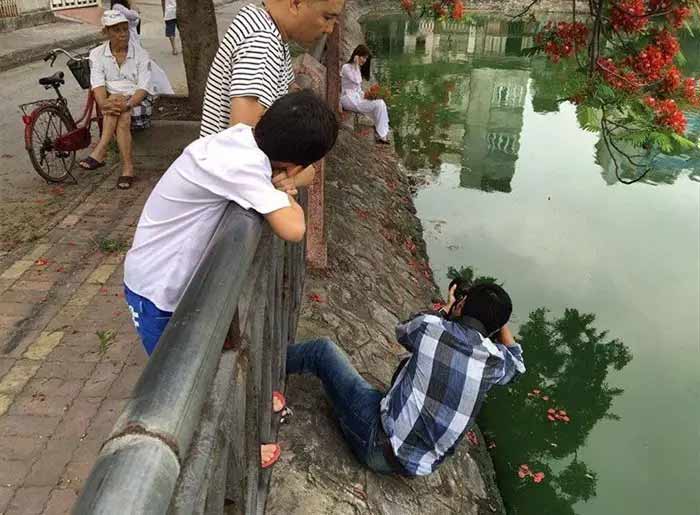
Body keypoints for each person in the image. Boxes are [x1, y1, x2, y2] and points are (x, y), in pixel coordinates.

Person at [123, 90, 339, 468]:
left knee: (214, 360)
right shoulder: (245, 167)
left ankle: (238, 425)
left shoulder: (243, 139)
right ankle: (228, 458)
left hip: (179, 282)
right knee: (186, 387)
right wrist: (290, 188)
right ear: (292, 163)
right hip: (155, 292)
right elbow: (294, 229)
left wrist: (281, 183)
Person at [286, 282, 526, 476]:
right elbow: (518, 364)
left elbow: (403, 330)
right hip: (416, 467)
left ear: (462, 304)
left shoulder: (431, 327)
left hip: (375, 442)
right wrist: (496, 319)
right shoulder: (496, 362)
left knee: (321, 351)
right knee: (411, 369)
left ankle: (270, 360)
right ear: (495, 329)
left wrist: (446, 309)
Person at [200, 0, 345, 195]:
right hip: (224, 194)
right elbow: (244, 138)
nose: (329, 29)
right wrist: (295, 175)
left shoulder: (262, 26)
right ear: (295, 3)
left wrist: (297, 174)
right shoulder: (262, 42)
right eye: (327, 17)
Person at [80, 10, 153, 189]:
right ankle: (127, 169)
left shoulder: (141, 54)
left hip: (137, 101)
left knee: (121, 107)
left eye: (125, 29)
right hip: (112, 103)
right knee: (121, 112)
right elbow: (97, 85)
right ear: (106, 32)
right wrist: (104, 104)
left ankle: (100, 150)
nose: (122, 34)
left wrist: (128, 103)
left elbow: (143, 88)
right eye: (116, 30)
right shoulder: (97, 54)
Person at [111, 0, 174, 95]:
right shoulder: (117, 7)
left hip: (135, 41)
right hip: (129, 43)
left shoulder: (124, 8)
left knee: (152, 71)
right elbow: (133, 15)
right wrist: (133, 6)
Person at [340, 44, 390, 144]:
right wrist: (355, 65)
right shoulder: (346, 67)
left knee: (380, 102)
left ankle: (382, 134)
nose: (364, 60)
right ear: (357, 55)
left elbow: (358, 89)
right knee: (378, 105)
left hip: (356, 97)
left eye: (366, 58)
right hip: (347, 99)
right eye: (363, 57)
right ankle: (382, 134)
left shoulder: (357, 68)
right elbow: (356, 80)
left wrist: (367, 95)